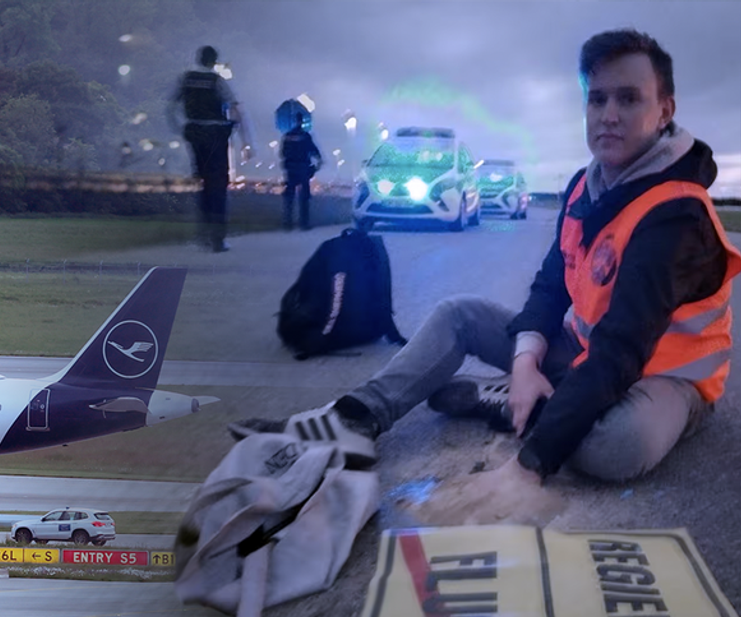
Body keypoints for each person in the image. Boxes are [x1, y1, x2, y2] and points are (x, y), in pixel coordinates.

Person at [230, 29, 739, 526]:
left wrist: (529, 466)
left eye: (628, 99)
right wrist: (524, 360)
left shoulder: (676, 214)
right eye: (597, 98)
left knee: (618, 446)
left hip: (669, 377)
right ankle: (354, 419)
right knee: (459, 314)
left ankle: (510, 404)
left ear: (664, 110)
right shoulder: (587, 184)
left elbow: (623, 348)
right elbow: (551, 284)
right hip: (589, 353)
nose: (608, 115)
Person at [167, 45, 253, 253]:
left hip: (195, 133)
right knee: (218, 185)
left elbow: (171, 106)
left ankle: (204, 234)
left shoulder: (186, 79)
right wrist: (246, 139)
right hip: (215, 134)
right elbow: (234, 107)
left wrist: (180, 128)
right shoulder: (217, 81)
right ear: (214, 61)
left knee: (205, 184)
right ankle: (218, 237)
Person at [281, 113, 322, 231]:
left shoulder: (287, 136)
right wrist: (318, 162)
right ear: (302, 121)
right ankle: (304, 224)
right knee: (304, 197)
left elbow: (282, 153)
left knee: (289, 197)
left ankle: (287, 224)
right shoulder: (305, 136)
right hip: (303, 167)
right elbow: (314, 151)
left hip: (291, 168)